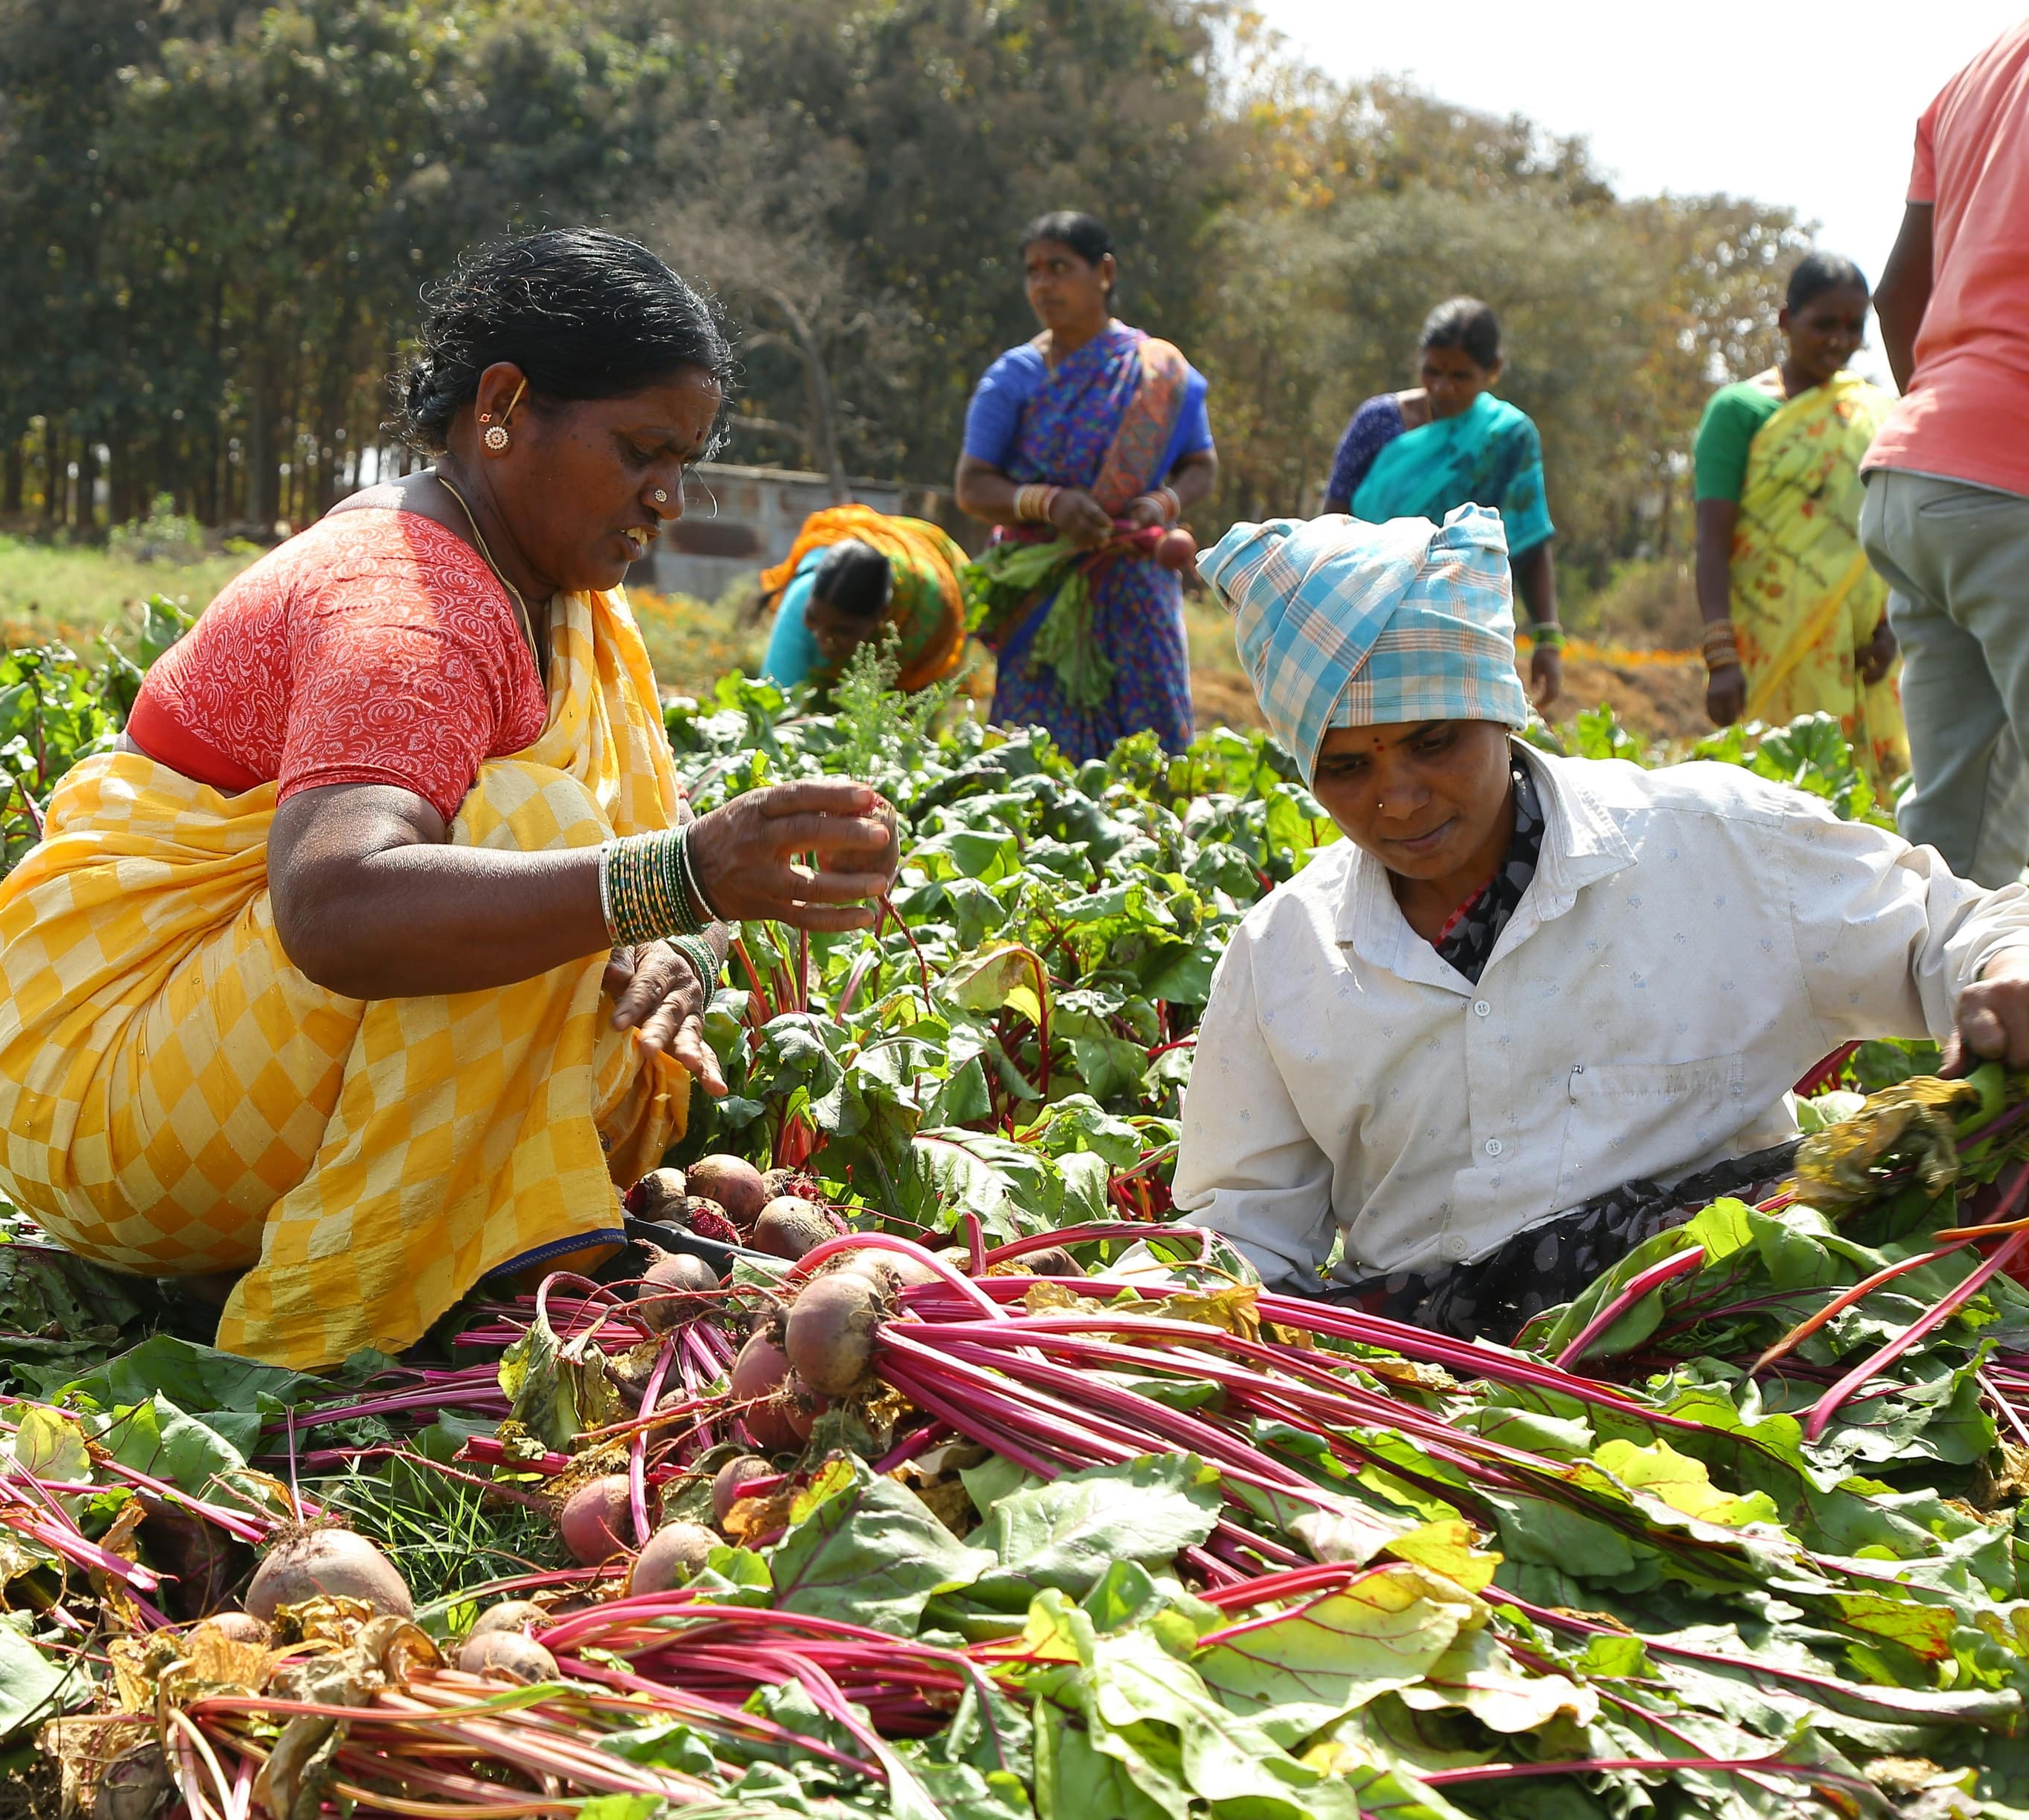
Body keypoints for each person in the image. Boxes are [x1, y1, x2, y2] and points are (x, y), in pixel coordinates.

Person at [0, 230, 900, 1370]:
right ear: (503, 403)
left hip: (228, 1052)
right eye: (643, 451)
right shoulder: (407, 606)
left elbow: (624, 878)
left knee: (570, 892)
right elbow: (338, 906)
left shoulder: (548, 594)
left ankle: (407, 1243)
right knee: (536, 833)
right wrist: (678, 875)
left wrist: (675, 946)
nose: (670, 496)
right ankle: (334, 1311)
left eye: (683, 460)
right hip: (108, 1086)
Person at [1172, 504, 2029, 1340]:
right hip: (1429, 1370)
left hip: (1741, 1331)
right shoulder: (1283, 955)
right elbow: (1243, 1233)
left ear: (1502, 710)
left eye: (1434, 742)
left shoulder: (1715, 842)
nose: (1398, 797)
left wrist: (2008, 964)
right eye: (1349, 768)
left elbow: (1949, 933)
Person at [952, 210, 1218, 759]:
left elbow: (1202, 465)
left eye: (1059, 267)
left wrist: (1160, 502)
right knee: (1036, 756)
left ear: (1105, 272)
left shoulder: (1159, 372)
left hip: (1137, 591)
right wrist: (1049, 504)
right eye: (1032, 271)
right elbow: (972, 487)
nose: (1043, 284)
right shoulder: (1014, 377)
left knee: (1152, 751)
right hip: (1042, 589)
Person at [1862, 19, 2029, 884]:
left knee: (1954, 849)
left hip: (1917, 475)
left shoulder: (1969, 81)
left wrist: (1953, 435)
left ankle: (1948, 1020)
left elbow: (1896, 296)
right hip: (2012, 493)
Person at [1693, 254, 1906, 781]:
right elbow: (1712, 545)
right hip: (1765, 651)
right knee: (1773, 798)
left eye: (1854, 327)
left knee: (1865, 812)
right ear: (1787, 322)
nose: (1840, 339)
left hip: (1860, 655)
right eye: (1824, 324)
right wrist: (1721, 658)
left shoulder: (1876, 414)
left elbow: (1894, 536)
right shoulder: (1739, 410)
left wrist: (1893, 627)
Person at [1323, 299, 1564, 708]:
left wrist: (1548, 636)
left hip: (1461, 627)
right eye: (1432, 371)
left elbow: (1529, 538)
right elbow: (1331, 525)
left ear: (1494, 371)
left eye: (1460, 376)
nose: (1442, 388)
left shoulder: (1507, 437)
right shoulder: (1378, 422)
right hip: (1365, 620)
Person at [754, 505, 973, 697]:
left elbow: (915, 704)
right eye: (812, 619)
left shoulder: (927, 616)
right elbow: (772, 703)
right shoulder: (802, 599)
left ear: (882, 615)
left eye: (843, 631)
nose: (823, 640)